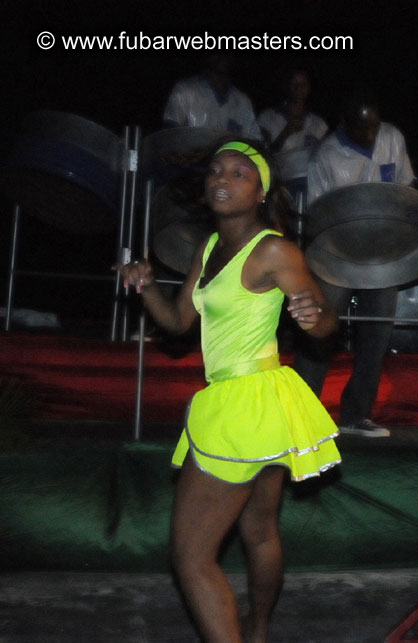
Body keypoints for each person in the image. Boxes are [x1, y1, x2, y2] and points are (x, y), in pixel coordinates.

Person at [116, 140, 341, 642]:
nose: (222, 178)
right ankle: (257, 633)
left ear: (261, 191)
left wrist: (314, 317)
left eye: (240, 173)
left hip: (245, 404)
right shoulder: (209, 248)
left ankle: (254, 630)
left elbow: (327, 321)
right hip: (253, 403)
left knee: (191, 559)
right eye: (216, 170)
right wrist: (147, 283)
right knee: (258, 531)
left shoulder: (274, 249)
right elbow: (178, 322)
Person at [294, 88, 415, 438]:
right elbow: (317, 216)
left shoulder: (392, 138)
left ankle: (356, 414)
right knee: (319, 332)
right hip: (337, 253)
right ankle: (303, 417)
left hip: (382, 254)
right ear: (344, 123)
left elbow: (406, 190)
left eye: (374, 127)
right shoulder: (325, 156)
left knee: (376, 335)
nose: (370, 135)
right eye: (362, 128)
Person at [163, 55, 262, 139]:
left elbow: (254, 141)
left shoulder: (243, 101)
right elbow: (170, 135)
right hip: (190, 160)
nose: (223, 55)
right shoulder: (185, 90)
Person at [258, 68, 329, 154]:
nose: (298, 88)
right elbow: (261, 153)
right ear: (286, 86)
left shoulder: (319, 123)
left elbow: (325, 155)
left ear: (309, 88)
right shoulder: (267, 118)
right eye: (294, 83)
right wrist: (285, 133)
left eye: (303, 84)